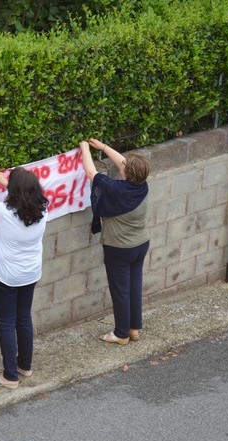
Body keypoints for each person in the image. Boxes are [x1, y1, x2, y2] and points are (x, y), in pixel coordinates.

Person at [0, 162, 49, 389]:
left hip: (5, 276)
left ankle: (9, 377)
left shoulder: (3, 213)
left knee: (6, 323)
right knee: (23, 318)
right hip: (30, 273)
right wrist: (8, 184)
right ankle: (24, 366)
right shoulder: (43, 210)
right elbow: (26, 198)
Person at [79, 138, 150, 346]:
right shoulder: (142, 186)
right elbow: (123, 164)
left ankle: (121, 334)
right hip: (140, 245)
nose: (123, 164)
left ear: (127, 173)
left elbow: (92, 174)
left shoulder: (116, 190)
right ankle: (134, 329)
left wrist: (84, 148)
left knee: (120, 291)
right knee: (134, 287)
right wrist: (102, 148)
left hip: (119, 249)